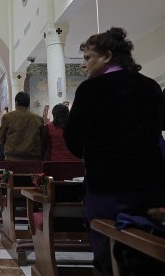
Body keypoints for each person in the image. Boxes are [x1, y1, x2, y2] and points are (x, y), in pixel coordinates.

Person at [64, 27, 165, 276]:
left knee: (108, 252)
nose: (84, 65)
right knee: (147, 253)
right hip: (153, 187)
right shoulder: (152, 87)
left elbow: (74, 142)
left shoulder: (91, 89)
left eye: (88, 58)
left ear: (107, 56)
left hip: (108, 188)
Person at [0, 92, 45, 160]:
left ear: (16, 102)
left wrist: (10, 145)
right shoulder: (38, 119)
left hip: (12, 158)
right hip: (33, 159)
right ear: (28, 103)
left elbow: (1, 136)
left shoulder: (7, 117)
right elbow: (42, 139)